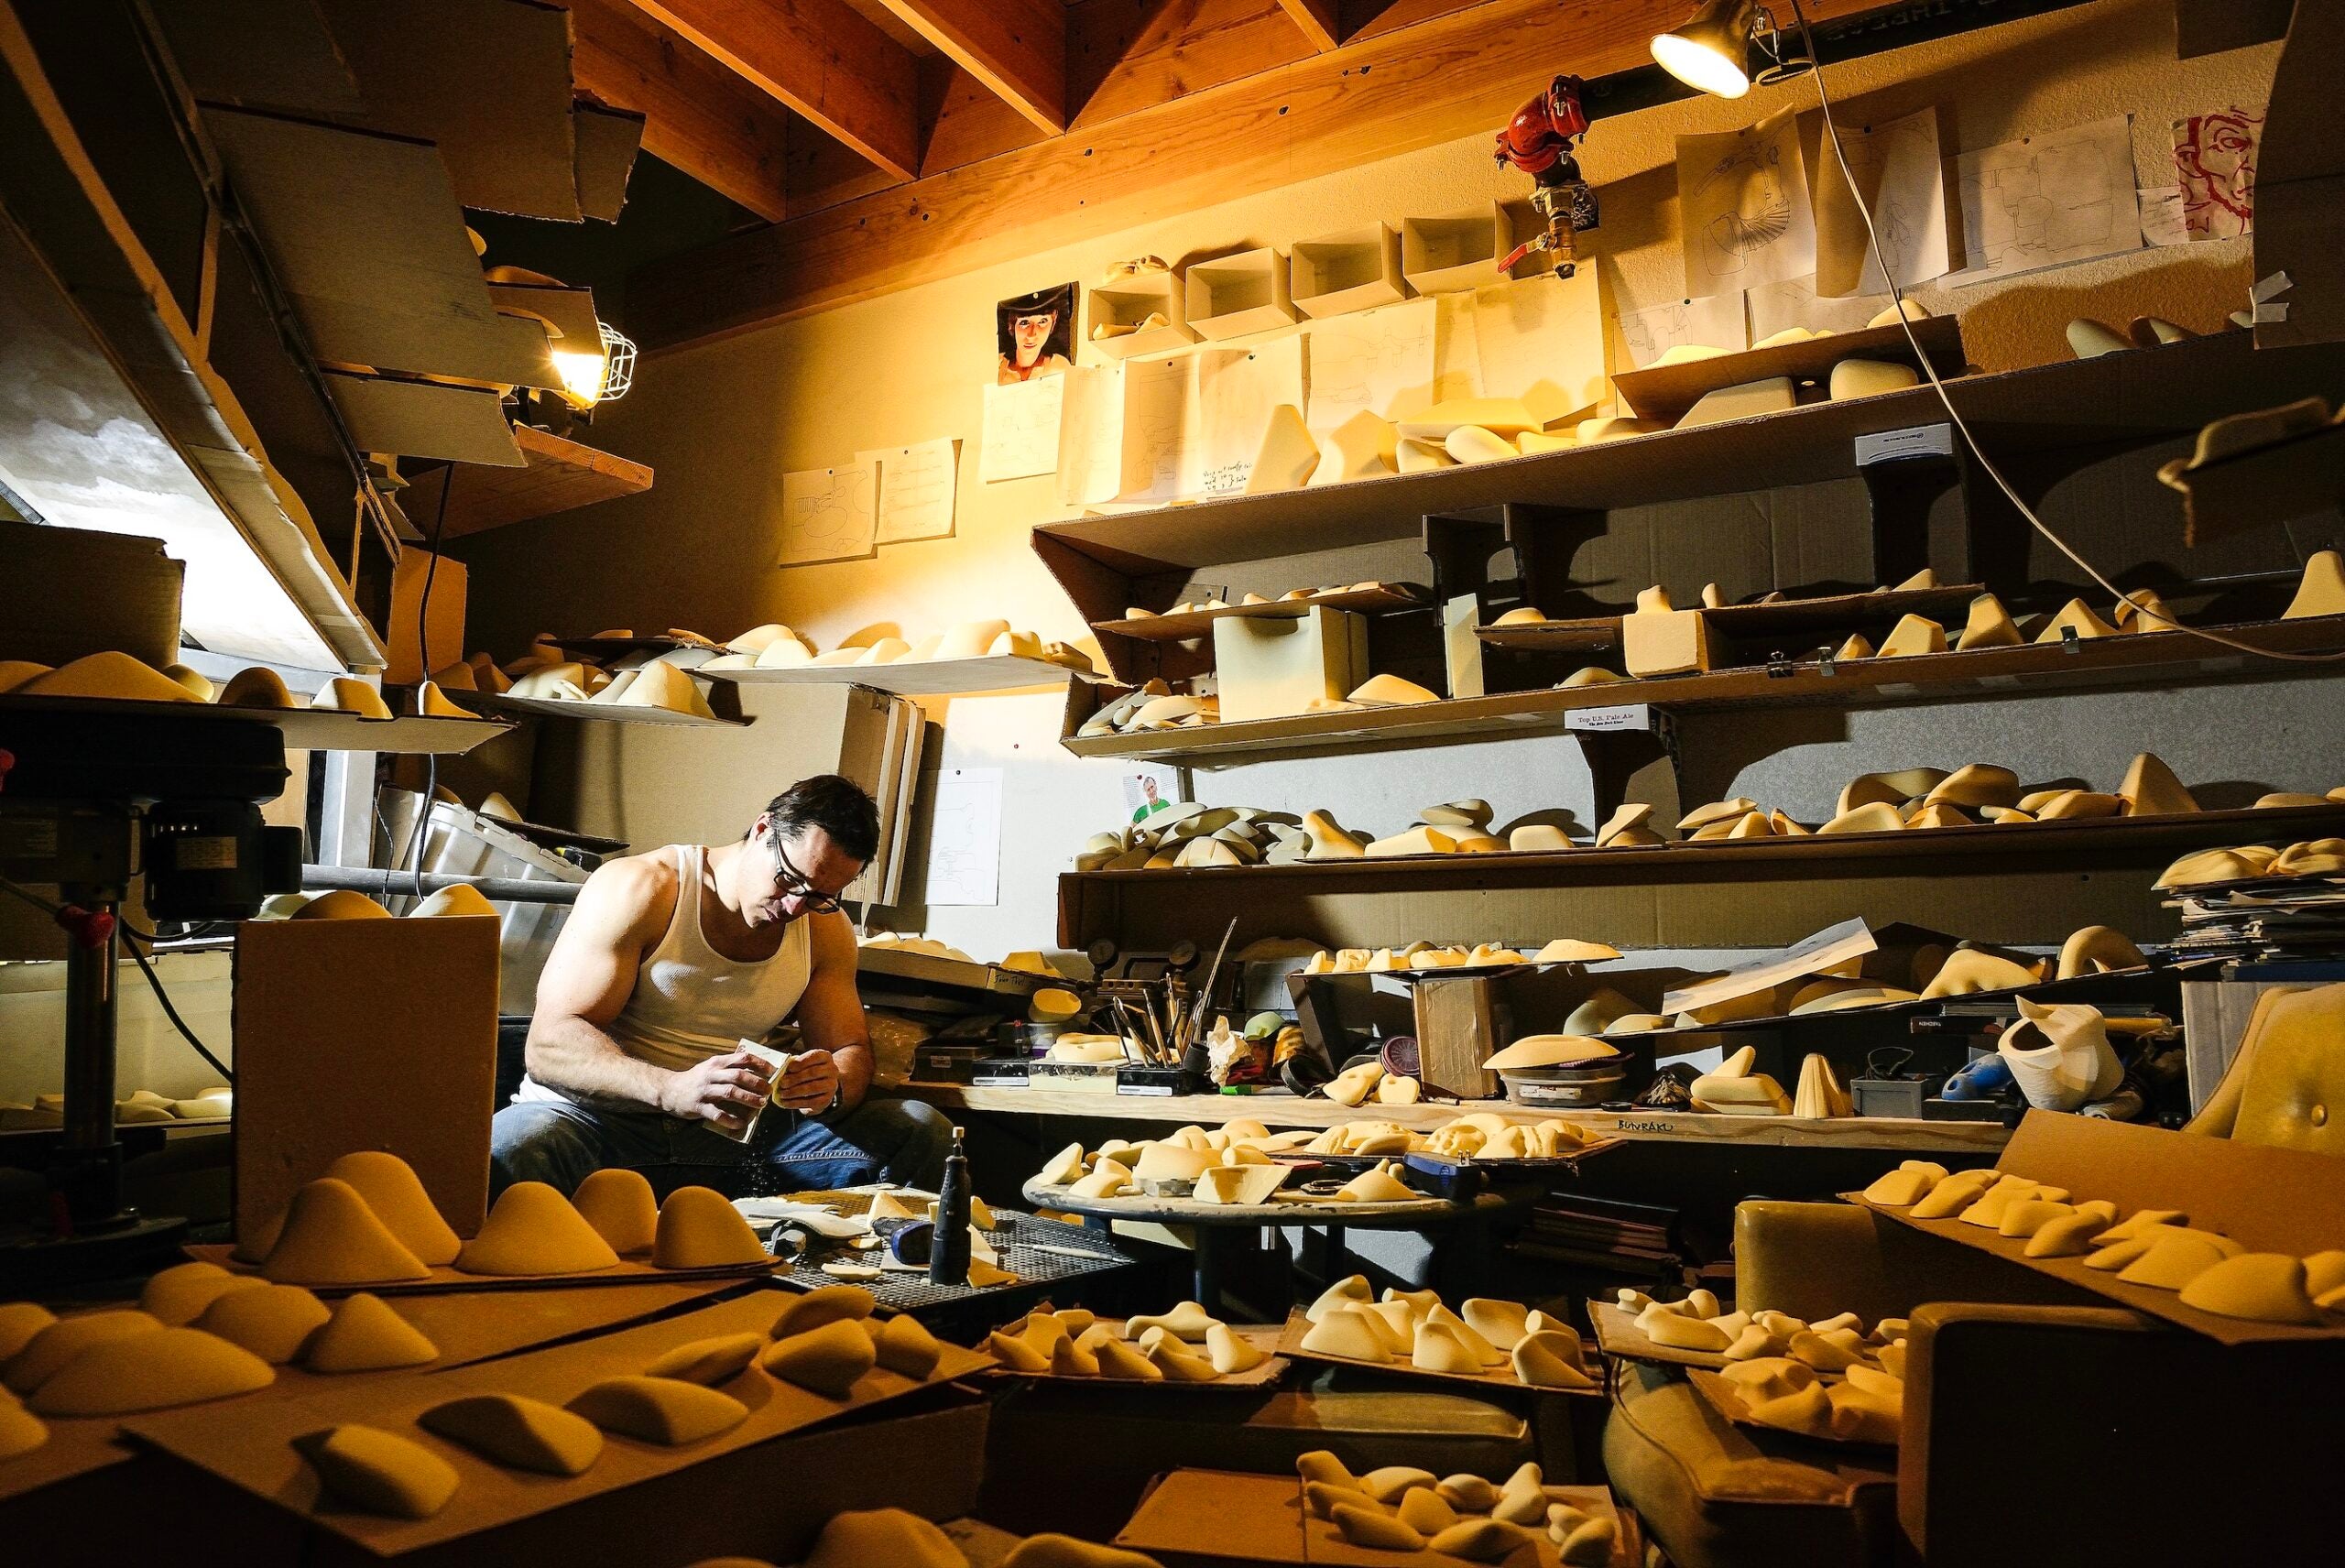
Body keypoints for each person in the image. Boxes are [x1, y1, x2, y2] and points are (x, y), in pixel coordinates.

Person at [489, 774, 952, 1199]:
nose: (794, 907)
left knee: (918, 1130)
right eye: (789, 880)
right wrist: (670, 1088)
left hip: (731, 1138)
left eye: (818, 896)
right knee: (512, 1146)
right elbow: (549, 1046)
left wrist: (831, 1085)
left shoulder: (824, 929)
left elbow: (849, 1049)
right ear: (763, 830)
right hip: (598, 1124)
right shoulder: (644, 888)